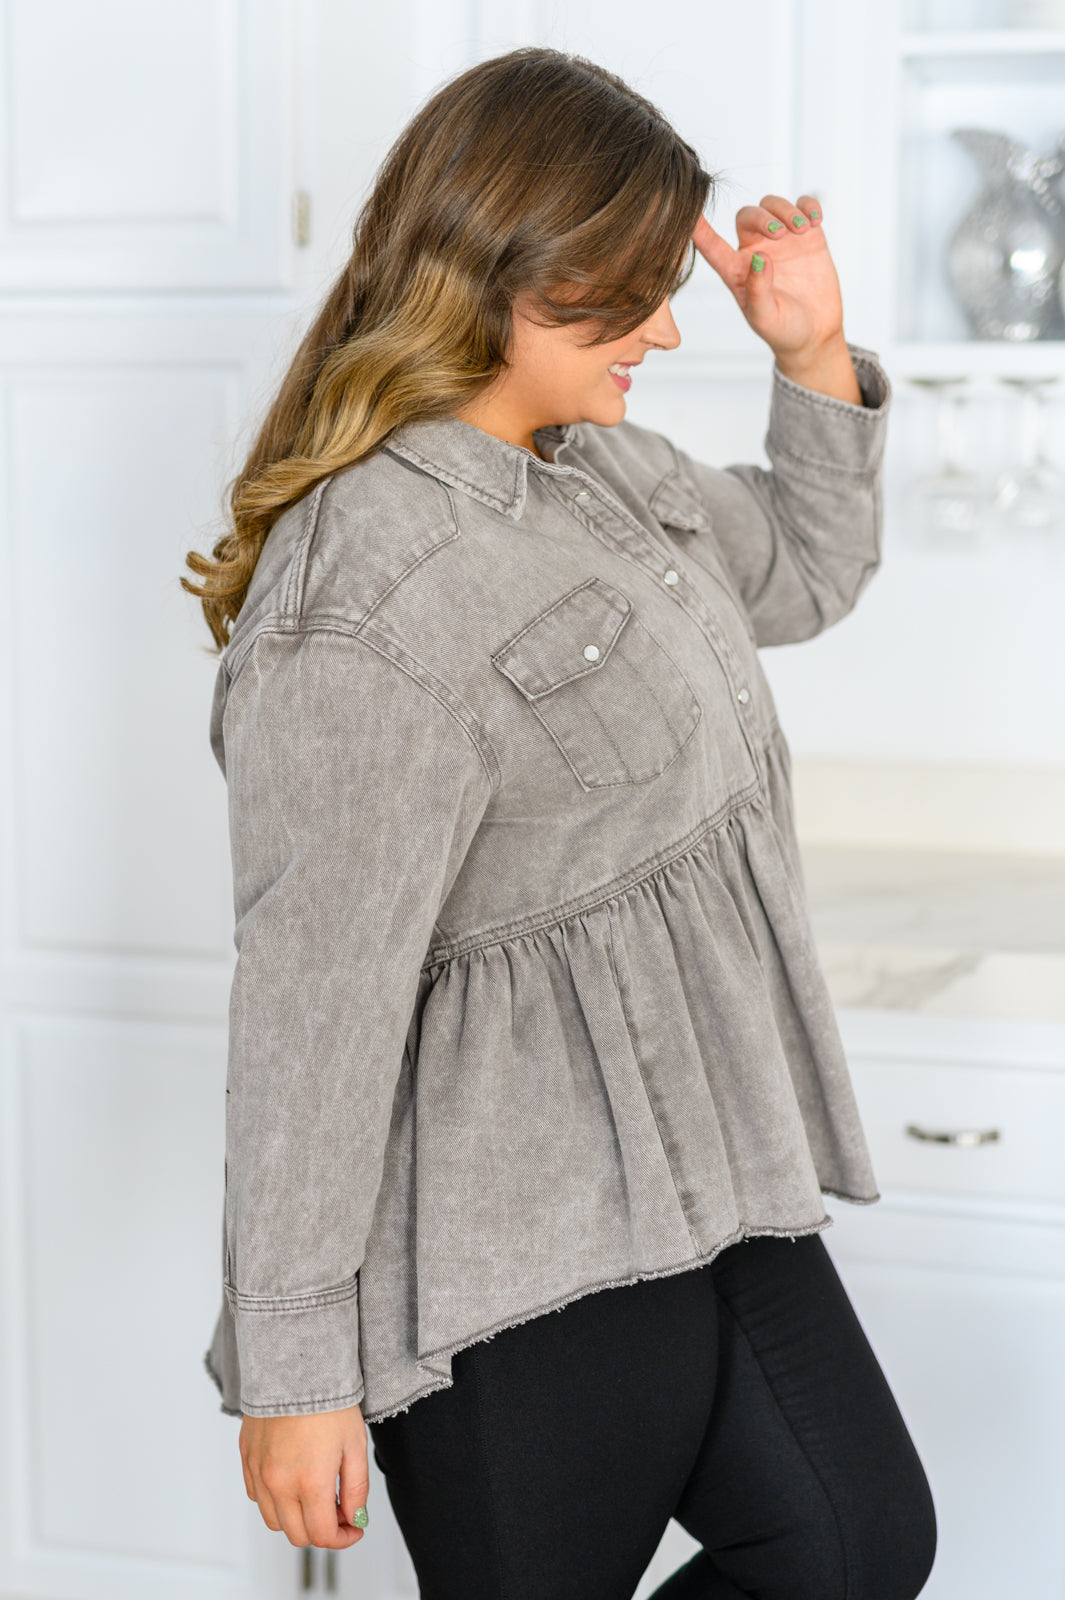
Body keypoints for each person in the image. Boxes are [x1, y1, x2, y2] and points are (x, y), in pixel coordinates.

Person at [183, 45, 937, 1600]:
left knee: (853, 1542)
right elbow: (314, 1016)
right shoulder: (363, 601)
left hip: (713, 1160)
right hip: (514, 1232)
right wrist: (292, 1370)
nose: (666, 328)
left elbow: (800, 573)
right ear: (504, 270)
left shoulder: (593, 470)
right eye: (631, 294)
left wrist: (811, 351)